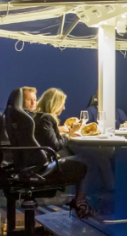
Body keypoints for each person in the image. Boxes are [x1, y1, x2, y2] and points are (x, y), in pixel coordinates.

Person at [32, 88, 91, 217]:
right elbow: (55, 145)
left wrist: (63, 132)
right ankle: (80, 201)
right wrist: (69, 135)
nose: (64, 108)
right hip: (49, 162)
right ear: (54, 103)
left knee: (80, 155)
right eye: (62, 104)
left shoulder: (39, 117)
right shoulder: (47, 119)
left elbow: (48, 138)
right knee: (86, 159)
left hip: (42, 160)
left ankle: (79, 200)